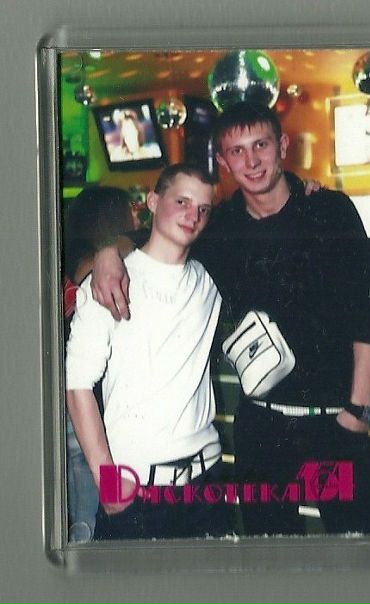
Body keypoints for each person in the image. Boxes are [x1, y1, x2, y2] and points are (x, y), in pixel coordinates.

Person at [90, 102, 370, 536]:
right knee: (269, 551)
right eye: (237, 151)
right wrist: (107, 251)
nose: (251, 161)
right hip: (262, 430)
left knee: (357, 547)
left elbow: (366, 311)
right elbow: (147, 235)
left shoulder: (329, 210)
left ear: (282, 145)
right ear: (224, 162)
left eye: (260, 145)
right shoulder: (221, 227)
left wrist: (357, 411)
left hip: (333, 426)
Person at [65, 164, 231, 540]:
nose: (193, 215)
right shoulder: (108, 281)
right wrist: (106, 480)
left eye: (203, 208)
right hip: (137, 489)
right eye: (182, 202)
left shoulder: (208, 278)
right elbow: (77, 385)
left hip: (206, 483)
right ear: (153, 202)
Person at [63, 185, 137, 542]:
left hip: (75, 403)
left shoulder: (70, 257)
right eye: (130, 211)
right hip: (88, 403)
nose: (137, 217)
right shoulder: (99, 266)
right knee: (88, 516)